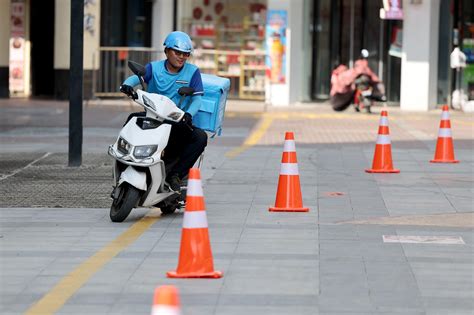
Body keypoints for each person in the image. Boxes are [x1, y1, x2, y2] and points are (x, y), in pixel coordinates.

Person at [119, 31, 207, 193]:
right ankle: (124, 162)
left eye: (185, 54)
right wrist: (127, 85)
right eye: (177, 52)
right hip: (153, 116)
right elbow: (137, 78)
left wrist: (188, 114)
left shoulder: (193, 72)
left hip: (177, 121)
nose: (181, 57)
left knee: (200, 137)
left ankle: (176, 175)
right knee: (132, 120)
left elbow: (197, 99)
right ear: (167, 51)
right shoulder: (154, 68)